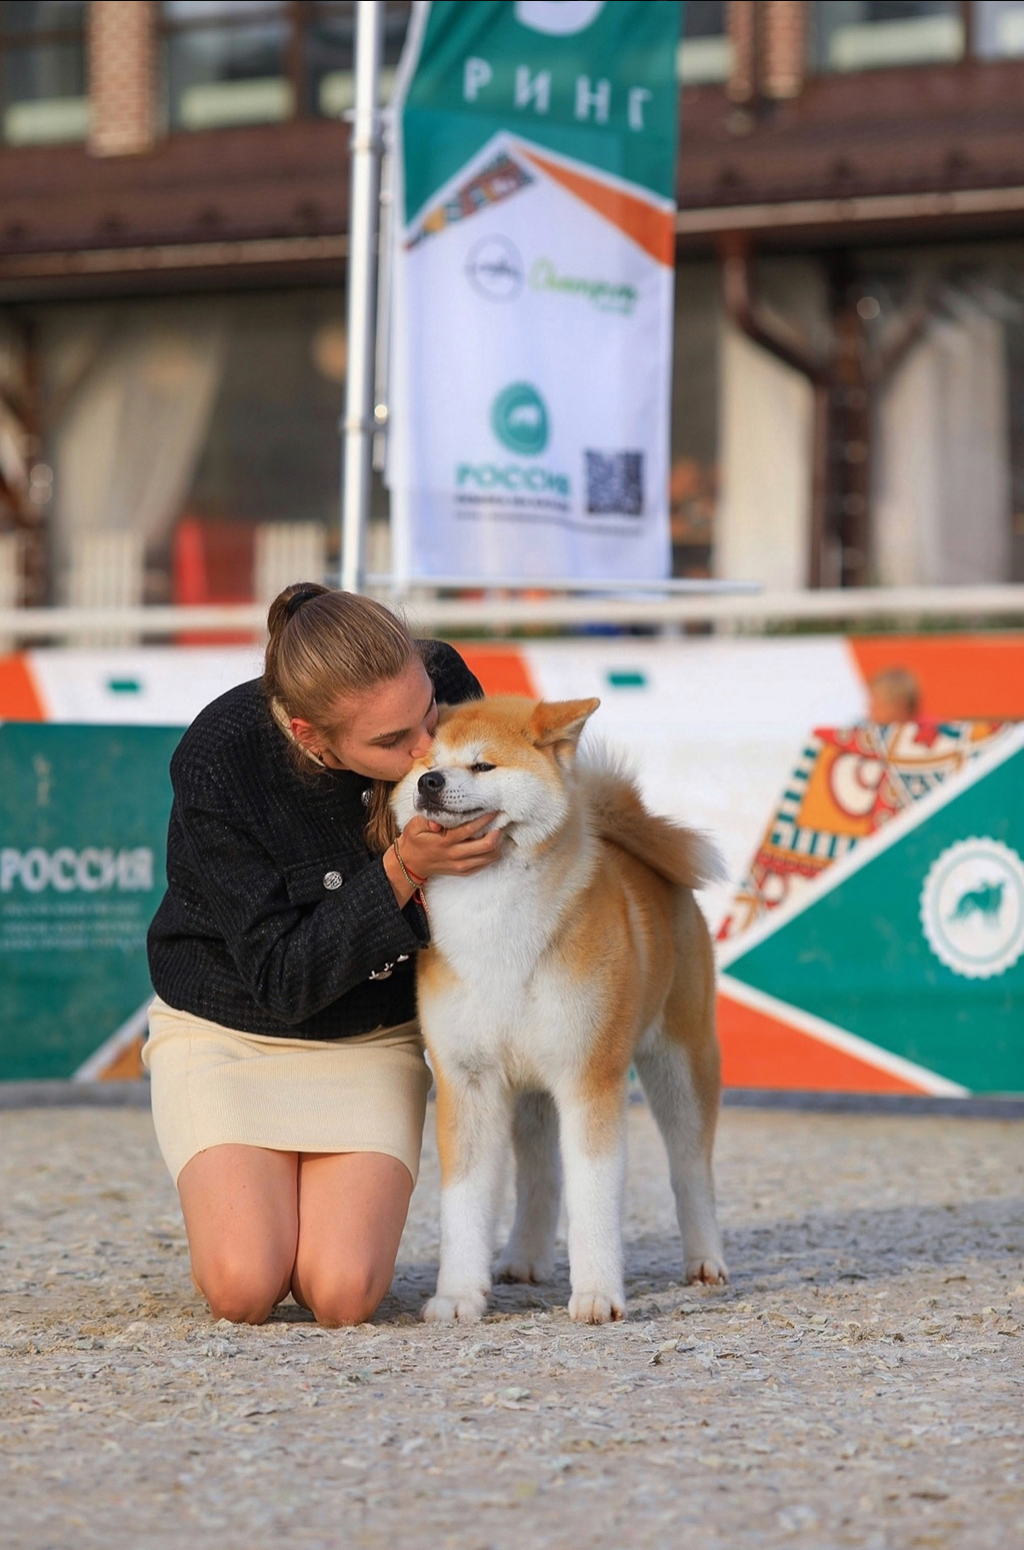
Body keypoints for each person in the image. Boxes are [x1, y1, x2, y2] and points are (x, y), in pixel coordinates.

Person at [145, 583, 503, 1327]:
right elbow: (281, 978)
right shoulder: (220, 758)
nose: (426, 752)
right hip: (230, 1029)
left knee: (342, 1294)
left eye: (427, 714)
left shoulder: (448, 684)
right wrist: (405, 871)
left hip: (372, 1032)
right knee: (244, 1286)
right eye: (390, 743)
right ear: (311, 738)